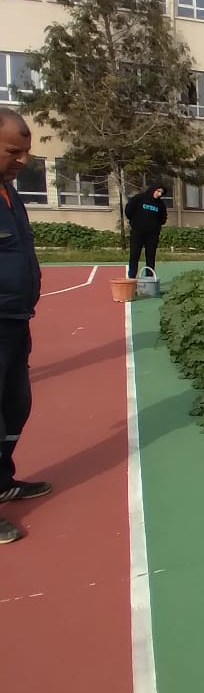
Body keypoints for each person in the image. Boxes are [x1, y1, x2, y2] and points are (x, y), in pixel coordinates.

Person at [0, 108, 49, 545]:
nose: (22, 160)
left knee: (15, 405)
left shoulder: (10, 194)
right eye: (13, 151)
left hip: (16, 320)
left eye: (26, 153)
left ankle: (3, 478)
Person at [124, 184, 167, 279]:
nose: (159, 194)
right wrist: (135, 222)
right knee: (134, 255)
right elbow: (128, 210)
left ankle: (149, 278)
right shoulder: (139, 198)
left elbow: (163, 219)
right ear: (153, 189)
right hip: (137, 232)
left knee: (150, 257)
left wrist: (155, 226)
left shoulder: (160, 205)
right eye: (158, 191)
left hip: (152, 235)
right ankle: (132, 277)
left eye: (161, 193)